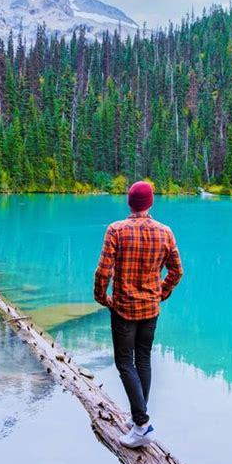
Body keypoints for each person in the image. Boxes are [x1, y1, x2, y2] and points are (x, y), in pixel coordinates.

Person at [94, 181, 183, 448]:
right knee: (142, 360)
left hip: (124, 309)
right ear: (151, 203)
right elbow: (177, 272)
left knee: (125, 362)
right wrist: (161, 293)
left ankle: (142, 424)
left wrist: (102, 297)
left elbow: (103, 271)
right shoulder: (165, 232)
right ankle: (138, 421)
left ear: (129, 203)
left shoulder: (116, 230)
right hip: (150, 309)